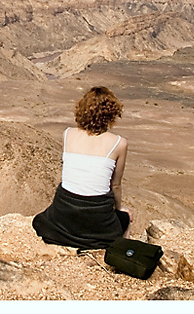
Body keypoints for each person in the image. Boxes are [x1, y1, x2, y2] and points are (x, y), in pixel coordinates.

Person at [32, 86, 132, 250]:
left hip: (64, 214)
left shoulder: (68, 134)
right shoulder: (119, 143)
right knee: (125, 218)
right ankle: (124, 251)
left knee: (41, 220)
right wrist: (120, 209)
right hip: (96, 217)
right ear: (112, 113)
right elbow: (115, 185)